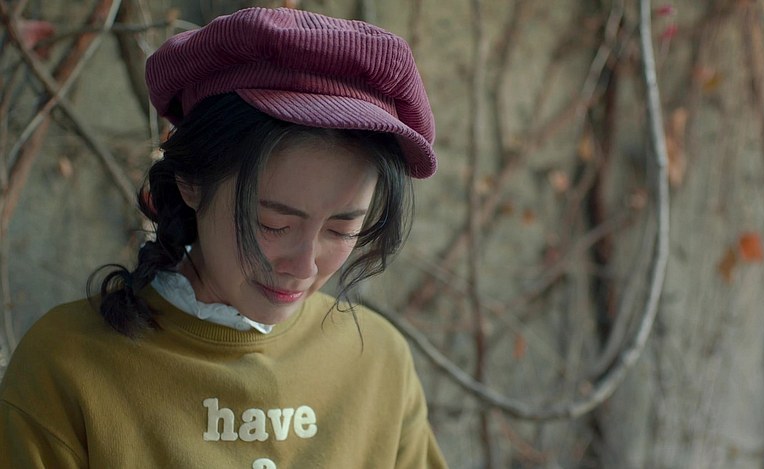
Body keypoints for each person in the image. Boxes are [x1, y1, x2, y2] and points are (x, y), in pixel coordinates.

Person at [0, 7, 448, 468]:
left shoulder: (378, 361)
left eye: (342, 229)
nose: (305, 266)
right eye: (272, 223)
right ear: (191, 182)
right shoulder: (67, 366)